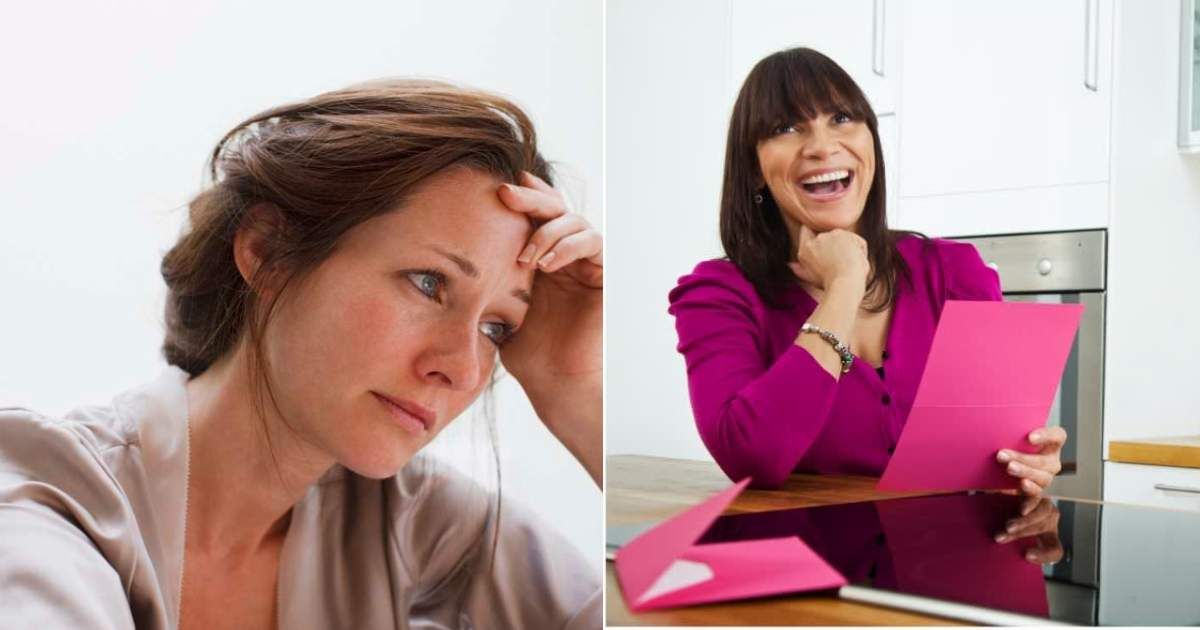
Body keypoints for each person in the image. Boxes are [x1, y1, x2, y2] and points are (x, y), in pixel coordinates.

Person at [0, 79, 602, 629]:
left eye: (497, 328)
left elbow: (670, 602)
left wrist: (574, 390)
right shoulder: (47, 500)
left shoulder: (423, 523)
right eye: (429, 282)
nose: (463, 368)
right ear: (268, 250)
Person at [668, 48, 1066, 494]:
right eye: (785, 128)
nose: (821, 146)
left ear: (870, 143)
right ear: (755, 170)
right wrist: (843, 285)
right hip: (801, 558)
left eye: (841, 118)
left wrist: (1025, 461)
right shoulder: (718, 295)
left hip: (939, 555)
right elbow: (751, 458)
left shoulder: (955, 273)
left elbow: (996, 451)